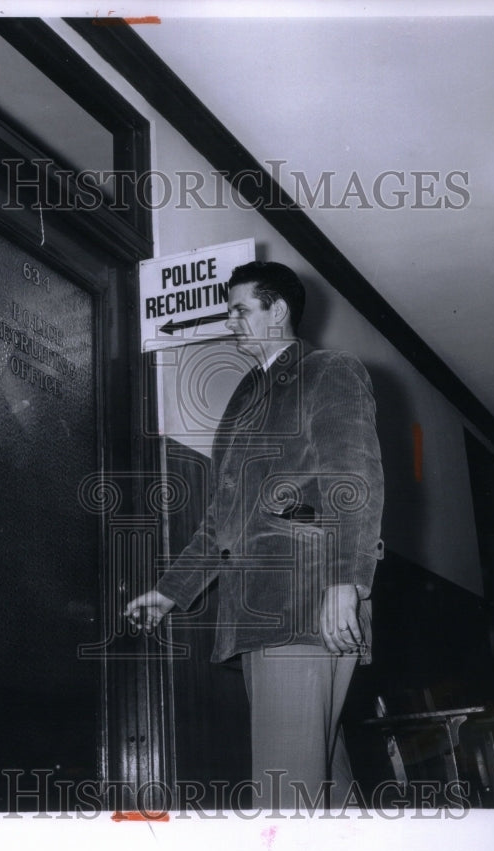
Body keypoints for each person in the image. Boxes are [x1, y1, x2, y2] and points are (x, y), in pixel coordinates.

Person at [125, 261, 384, 809]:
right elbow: (222, 519)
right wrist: (169, 591)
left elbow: (354, 479)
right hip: (260, 614)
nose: (231, 321)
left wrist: (347, 582)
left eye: (241, 309)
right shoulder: (246, 399)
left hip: (302, 605)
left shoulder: (328, 370)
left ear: (279, 311)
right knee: (323, 790)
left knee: (284, 797)